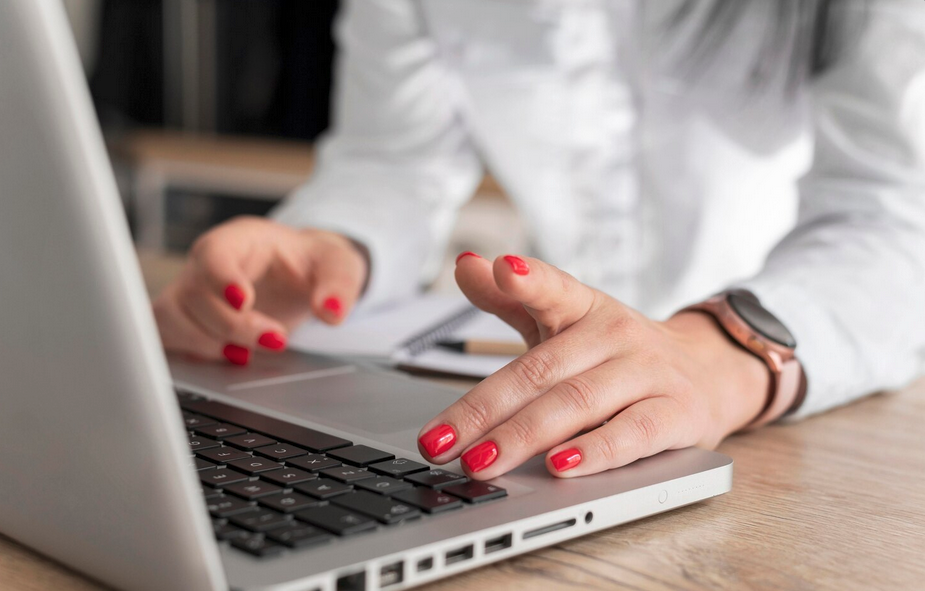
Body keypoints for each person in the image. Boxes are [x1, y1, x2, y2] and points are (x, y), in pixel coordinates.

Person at [154, 0, 925, 481]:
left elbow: (896, 214)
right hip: (556, 406)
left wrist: (725, 348)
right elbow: (394, 157)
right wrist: (333, 245)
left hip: (813, 399)